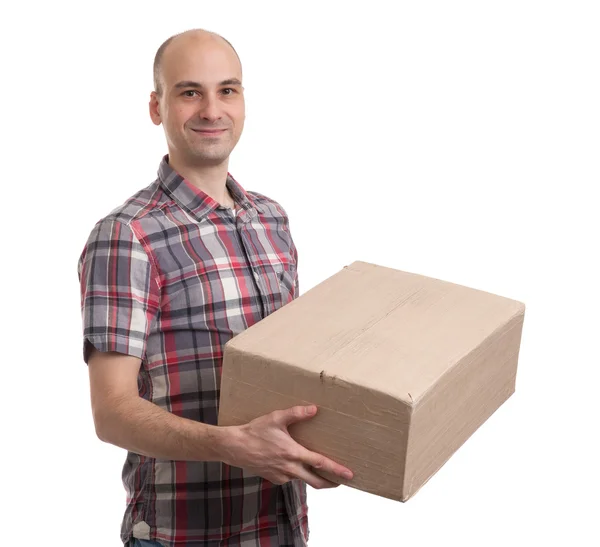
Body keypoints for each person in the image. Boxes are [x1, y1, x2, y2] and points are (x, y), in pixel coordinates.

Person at [77, 29, 353, 547]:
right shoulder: (126, 235)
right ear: (156, 107)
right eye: (189, 92)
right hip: (180, 535)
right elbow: (110, 411)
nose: (211, 109)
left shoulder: (271, 219)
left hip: (281, 529)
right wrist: (231, 445)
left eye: (227, 90)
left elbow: (293, 374)